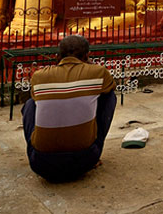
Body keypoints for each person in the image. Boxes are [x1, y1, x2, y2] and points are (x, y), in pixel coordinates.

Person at [22, 34, 116, 182]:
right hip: (86, 160)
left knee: (30, 104)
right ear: (87, 56)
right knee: (108, 96)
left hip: (40, 164)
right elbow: (109, 87)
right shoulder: (98, 72)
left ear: (57, 56)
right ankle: (93, 146)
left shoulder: (39, 76)